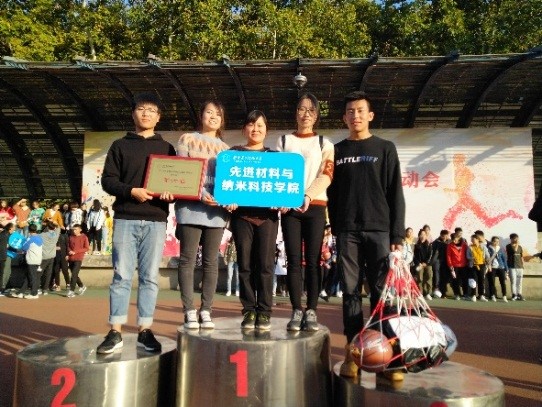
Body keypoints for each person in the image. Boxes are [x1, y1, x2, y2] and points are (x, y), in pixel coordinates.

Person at [327, 91, 405, 378]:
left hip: (379, 230)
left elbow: (395, 192)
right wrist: (336, 228)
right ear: (344, 117)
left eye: (360, 110)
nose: (355, 115)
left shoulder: (385, 148)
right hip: (347, 231)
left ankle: (389, 358)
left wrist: (397, 234)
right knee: (350, 292)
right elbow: (332, 193)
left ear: (370, 115)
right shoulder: (336, 151)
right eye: (350, 111)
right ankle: (354, 353)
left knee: (381, 294)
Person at [98, 92, 176, 354]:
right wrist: (132, 191)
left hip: (156, 219)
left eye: (151, 110)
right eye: (141, 109)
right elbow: (108, 180)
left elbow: (177, 183)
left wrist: (172, 193)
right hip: (125, 218)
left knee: (150, 277)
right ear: (133, 114)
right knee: (121, 275)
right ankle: (115, 331)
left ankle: (145, 329)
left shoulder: (167, 148)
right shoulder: (120, 145)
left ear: (158, 117)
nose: (146, 113)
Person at [275, 92, 334, 332]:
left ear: (316, 115)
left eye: (311, 110)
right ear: (295, 113)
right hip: (290, 208)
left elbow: (327, 174)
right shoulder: (283, 141)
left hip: (316, 206)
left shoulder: (324, 143)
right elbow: (278, 173)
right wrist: (285, 199)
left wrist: (307, 195)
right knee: (292, 261)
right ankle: (296, 309)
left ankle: (311, 309)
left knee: (312, 260)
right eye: (301, 109)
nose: (306, 114)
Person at [175, 100, 230, 330]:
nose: (213, 116)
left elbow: (229, 183)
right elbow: (181, 173)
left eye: (218, 113)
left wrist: (228, 200)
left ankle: (206, 310)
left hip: (216, 212)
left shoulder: (226, 149)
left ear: (222, 119)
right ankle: (189, 310)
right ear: (201, 115)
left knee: (211, 261)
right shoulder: (187, 139)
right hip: (190, 209)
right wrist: (201, 194)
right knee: (187, 259)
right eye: (209, 112)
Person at [228, 110, 280, 330]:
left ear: (266, 131)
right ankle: (249, 310)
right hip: (242, 217)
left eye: (260, 125)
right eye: (251, 125)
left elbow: (283, 189)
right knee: (245, 264)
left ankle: (264, 312)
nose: (255, 129)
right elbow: (226, 185)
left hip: (267, 218)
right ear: (244, 130)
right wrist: (227, 199)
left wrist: (281, 201)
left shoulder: (275, 157)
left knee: (266, 265)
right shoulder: (233, 154)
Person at [14, 224, 43, 299]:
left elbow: (23, 248)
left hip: (31, 260)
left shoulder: (30, 238)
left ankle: (34, 293)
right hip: (38, 259)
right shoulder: (39, 238)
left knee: (32, 277)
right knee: (28, 276)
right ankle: (21, 292)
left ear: (29, 230)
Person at [66, 224, 88, 298]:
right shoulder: (71, 237)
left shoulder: (84, 237)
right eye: (73, 229)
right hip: (71, 258)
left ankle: (71, 291)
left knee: (74, 275)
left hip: (78, 258)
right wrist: (68, 253)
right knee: (74, 274)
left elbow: (86, 248)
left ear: (80, 230)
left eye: (75, 229)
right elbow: (68, 246)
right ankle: (81, 286)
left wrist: (75, 252)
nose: (74, 231)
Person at [466, 234, 490, 301]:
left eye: (473, 239)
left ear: (477, 239)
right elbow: (467, 256)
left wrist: (488, 262)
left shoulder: (483, 246)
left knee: (481, 280)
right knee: (473, 281)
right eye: (471, 239)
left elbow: (487, 255)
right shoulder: (470, 247)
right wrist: (472, 258)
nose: (472, 240)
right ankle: (473, 295)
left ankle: (481, 295)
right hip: (473, 265)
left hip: (482, 265)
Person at [39, 220, 60, 294]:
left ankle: (37, 287)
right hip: (51, 256)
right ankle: (45, 289)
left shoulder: (42, 235)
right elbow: (58, 227)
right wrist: (53, 222)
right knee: (48, 273)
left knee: (39, 272)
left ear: (47, 227)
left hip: (43, 256)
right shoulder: (56, 234)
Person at [446, 232, 468, 300]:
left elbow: (467, 254)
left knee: (464, 280)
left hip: (463, 265)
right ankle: (457, 294)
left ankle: (465, 294)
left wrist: (468, 263)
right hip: (454, 266)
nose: (454, 241)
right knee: (455, 280)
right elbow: (448, 256)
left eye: (455, 239)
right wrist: (450, 265)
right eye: (452, 239)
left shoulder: (464, 245)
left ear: (459, 238)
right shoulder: (450, 245)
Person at [413, 229, 434, 300]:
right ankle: (420, 293)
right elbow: (414, 256)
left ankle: (428, 293)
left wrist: (426, 263)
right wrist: (419, 263)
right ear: (419, 236)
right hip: (419, 264)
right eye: (421, 234)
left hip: (427, 264)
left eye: (424, 235)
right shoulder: (416, 246)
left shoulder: (429, 245)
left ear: (426, 236)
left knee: (428, 277)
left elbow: (430, 255)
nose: (422, 236)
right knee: (419, 278)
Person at [487, 236, 509, 302]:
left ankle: (504, 296)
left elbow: (504, 259)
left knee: (502, 282)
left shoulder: (500, 249)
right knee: (492, 282)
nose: (496, 243)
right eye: (495, 241)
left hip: (501, 267)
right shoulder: (488, 248)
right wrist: (488, 266)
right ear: (492, 241)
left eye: (497, 241)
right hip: (492, 267)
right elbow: (487, 258)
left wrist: (506, 269)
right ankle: (492, 295)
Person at [506, 233, 525, 301]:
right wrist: (517, 244)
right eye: (514, 238)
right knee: (513, 281)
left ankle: (519, 294)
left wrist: (523, 265)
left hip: (520, 267)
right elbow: (515, 251)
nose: (516, 240)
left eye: (517, 238)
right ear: (511, 239)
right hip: (512, 266)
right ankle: (514, 294)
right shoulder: (508, 246)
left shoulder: (520, 247)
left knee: (519, 281)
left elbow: (521, 256)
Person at [431, 229, 450, 298]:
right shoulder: (436, 242)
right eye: (443, 236)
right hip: (437, 261)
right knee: (437, 275)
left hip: (446, 262)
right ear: (441, 235)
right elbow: (433, 252)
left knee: (444, 277)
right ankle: (436, 290)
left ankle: (443, 292)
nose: (445, 237)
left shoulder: (449, 242)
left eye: (446, 236)